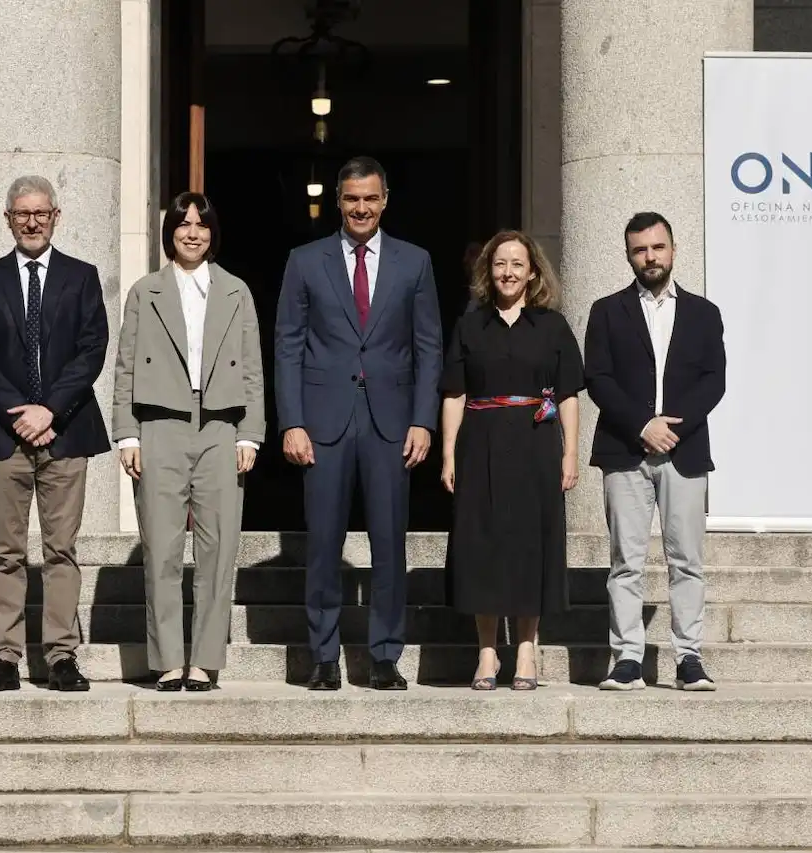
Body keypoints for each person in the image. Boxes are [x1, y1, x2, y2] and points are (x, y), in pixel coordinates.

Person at [274, 156, 443, 690]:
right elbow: (287, 346)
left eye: (370, 198)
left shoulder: (415, 263)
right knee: (324, 542)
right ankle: (324, 656)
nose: (361, 208)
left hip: (392, 423)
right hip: (322, 422)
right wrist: (291, 422)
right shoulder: (305, 260)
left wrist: (424, 421)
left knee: (389, 542)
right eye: (351, 199)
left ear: (385, 200)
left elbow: (428, 347)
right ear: (338, 202)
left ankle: (384, 656)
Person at [0, 175, 111, 692]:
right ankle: (4, 657)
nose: (31, 222)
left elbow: (92, 350)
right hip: (4, 437)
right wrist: (17, 411)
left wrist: (48, 409)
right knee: (6, 550)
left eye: (40, 213)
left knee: (60, 549)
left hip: (66, 433)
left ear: (55, 217)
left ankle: (61, 656)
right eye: (22, 214)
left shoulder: (82, 276)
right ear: (8, 219)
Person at [112, 192, 265, 691]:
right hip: (159, 425)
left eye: (201, 224)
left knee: (218, 549)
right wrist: (127, 433)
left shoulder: (236, 291)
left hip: (221, 426)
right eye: (183, 224)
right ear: (170, 232)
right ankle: (168, 660)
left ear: (213, 232)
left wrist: (251, 434)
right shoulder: (145, 291)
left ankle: (204, 660)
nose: (192, 232)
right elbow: (126, 365)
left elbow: (253, 371)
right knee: (161, 548)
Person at [584, 211, 726, 691]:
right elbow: (598, 378)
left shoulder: (704, 313)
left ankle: (689, 658)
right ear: (629, 255)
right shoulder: (606, 311)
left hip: (684, 454)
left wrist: (672, 430)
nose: (650, 257)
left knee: (686, 559)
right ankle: (627, 658)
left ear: (673, 248)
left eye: (657, 247)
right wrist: (643, 425)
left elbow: (714, 380)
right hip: (625, 451)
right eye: (640, 250)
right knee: (626, 560)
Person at [440, 231, 582, 691]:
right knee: (482, 545)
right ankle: (486, 652)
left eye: (517, 264)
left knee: (529, 546)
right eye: (500, 263)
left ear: (532, 271)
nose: (508, 272)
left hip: (536, 445)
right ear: (488, 270)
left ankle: (525, 649)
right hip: (478, 444)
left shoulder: (552, 326)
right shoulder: (470, 326)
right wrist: (447, 454)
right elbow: (455, 393)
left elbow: (569, 396)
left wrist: (571, 452)